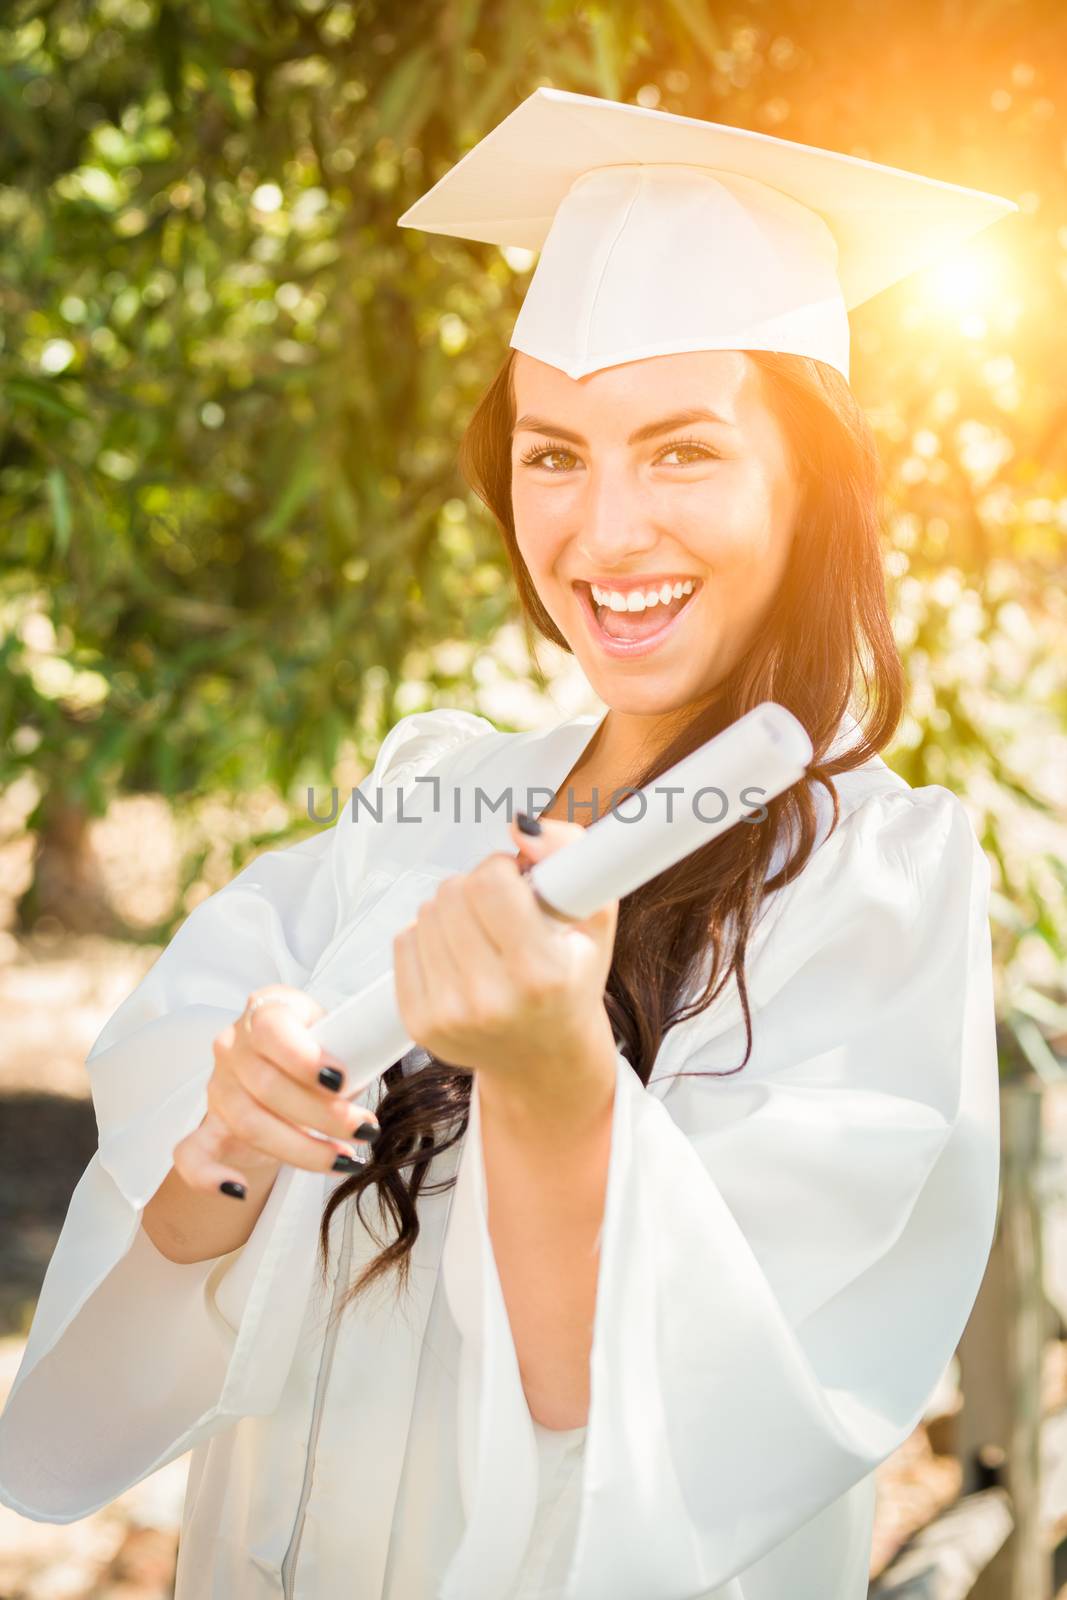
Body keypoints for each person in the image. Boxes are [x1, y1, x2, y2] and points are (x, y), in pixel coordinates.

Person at [0, 88, 1015, 1600]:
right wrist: (231, 1139)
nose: (603, 535)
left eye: (681, 453)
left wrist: (553, 1074)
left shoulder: (873, 883)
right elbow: (142, 1344)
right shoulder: (430, 798)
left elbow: (649, 1449)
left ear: (813, 487)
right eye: (554, 455)